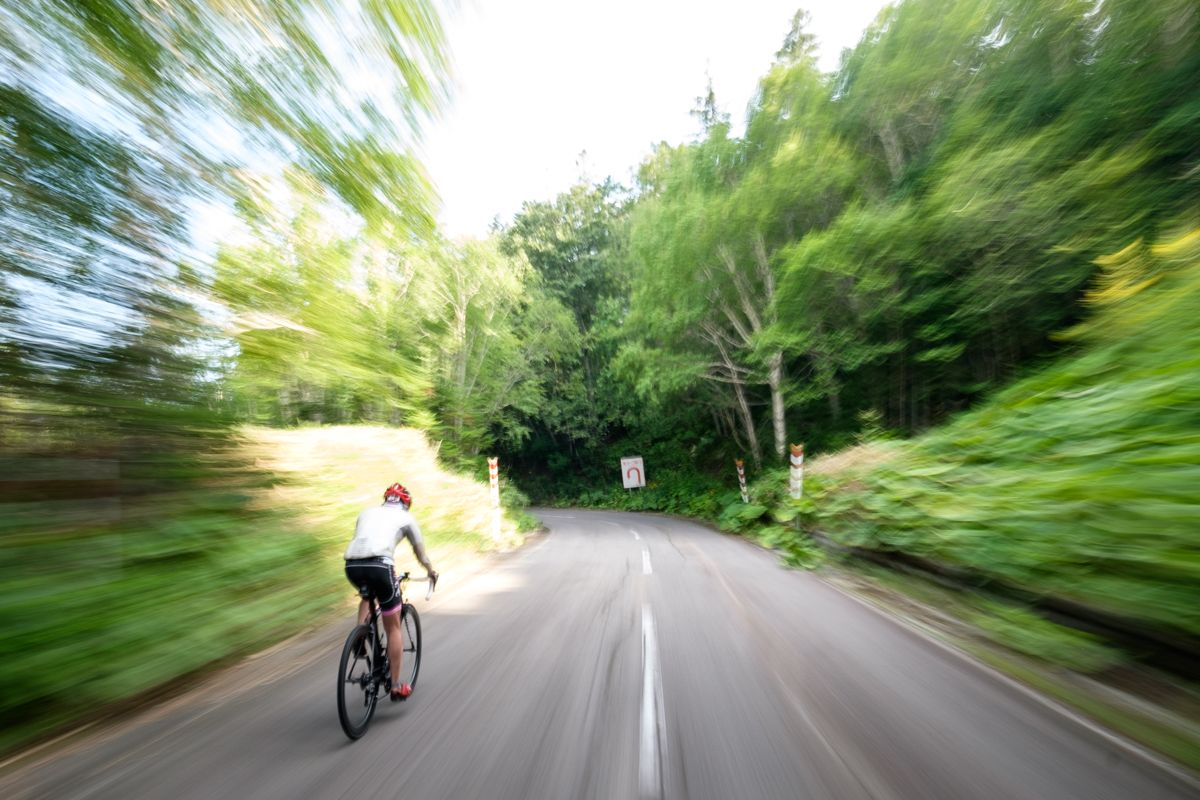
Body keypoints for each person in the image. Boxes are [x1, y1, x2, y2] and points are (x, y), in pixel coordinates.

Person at [343, 482, 437, 701]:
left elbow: (364, 543)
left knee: (367, 594)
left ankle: (360, 634)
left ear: (386, 499)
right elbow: (421, 555)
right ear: (406, 503)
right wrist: (431, 572)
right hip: (381, 566)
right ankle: (395, 686)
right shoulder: (407, 518)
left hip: (352, 565)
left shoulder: (366, 512)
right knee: (393, 627)